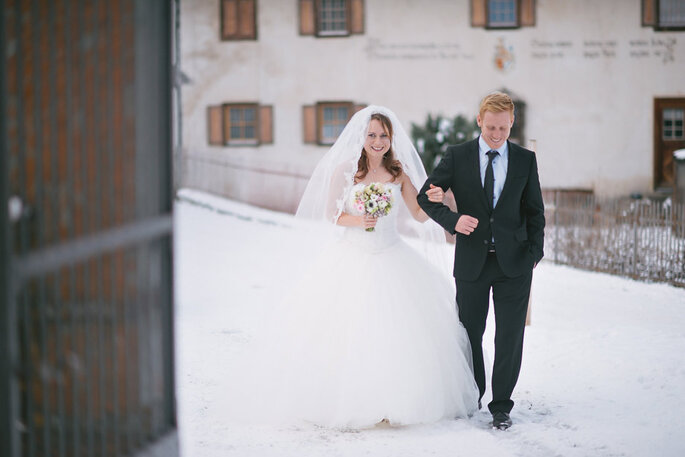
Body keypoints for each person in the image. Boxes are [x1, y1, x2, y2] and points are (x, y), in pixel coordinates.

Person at [241, 106, 479, 429]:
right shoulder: (346, 170)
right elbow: (332, 214)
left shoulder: (399, 173)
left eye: (383, 135)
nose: (378, 141)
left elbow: (420, 214)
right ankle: (350, 401)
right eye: (372, 135)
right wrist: (359, 220)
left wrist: (442, 197)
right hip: (352, 256)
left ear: (391, 138)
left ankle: (392, 403)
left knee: (396, 335)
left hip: (393, 255)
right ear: (362, 138)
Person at [417, 92, 545, 430]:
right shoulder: (457, 157)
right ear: (479, 120)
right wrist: (453, 220)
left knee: (509, 336)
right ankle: (473, 395)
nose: (497, 134)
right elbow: (425, 196)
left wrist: (534, 254)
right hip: (472, 262)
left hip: (514, 264)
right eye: (490, 127)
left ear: (511, 124)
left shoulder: (524, 160)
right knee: (470, 332)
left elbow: (535, 212)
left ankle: (501, 405)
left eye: (503, 128)